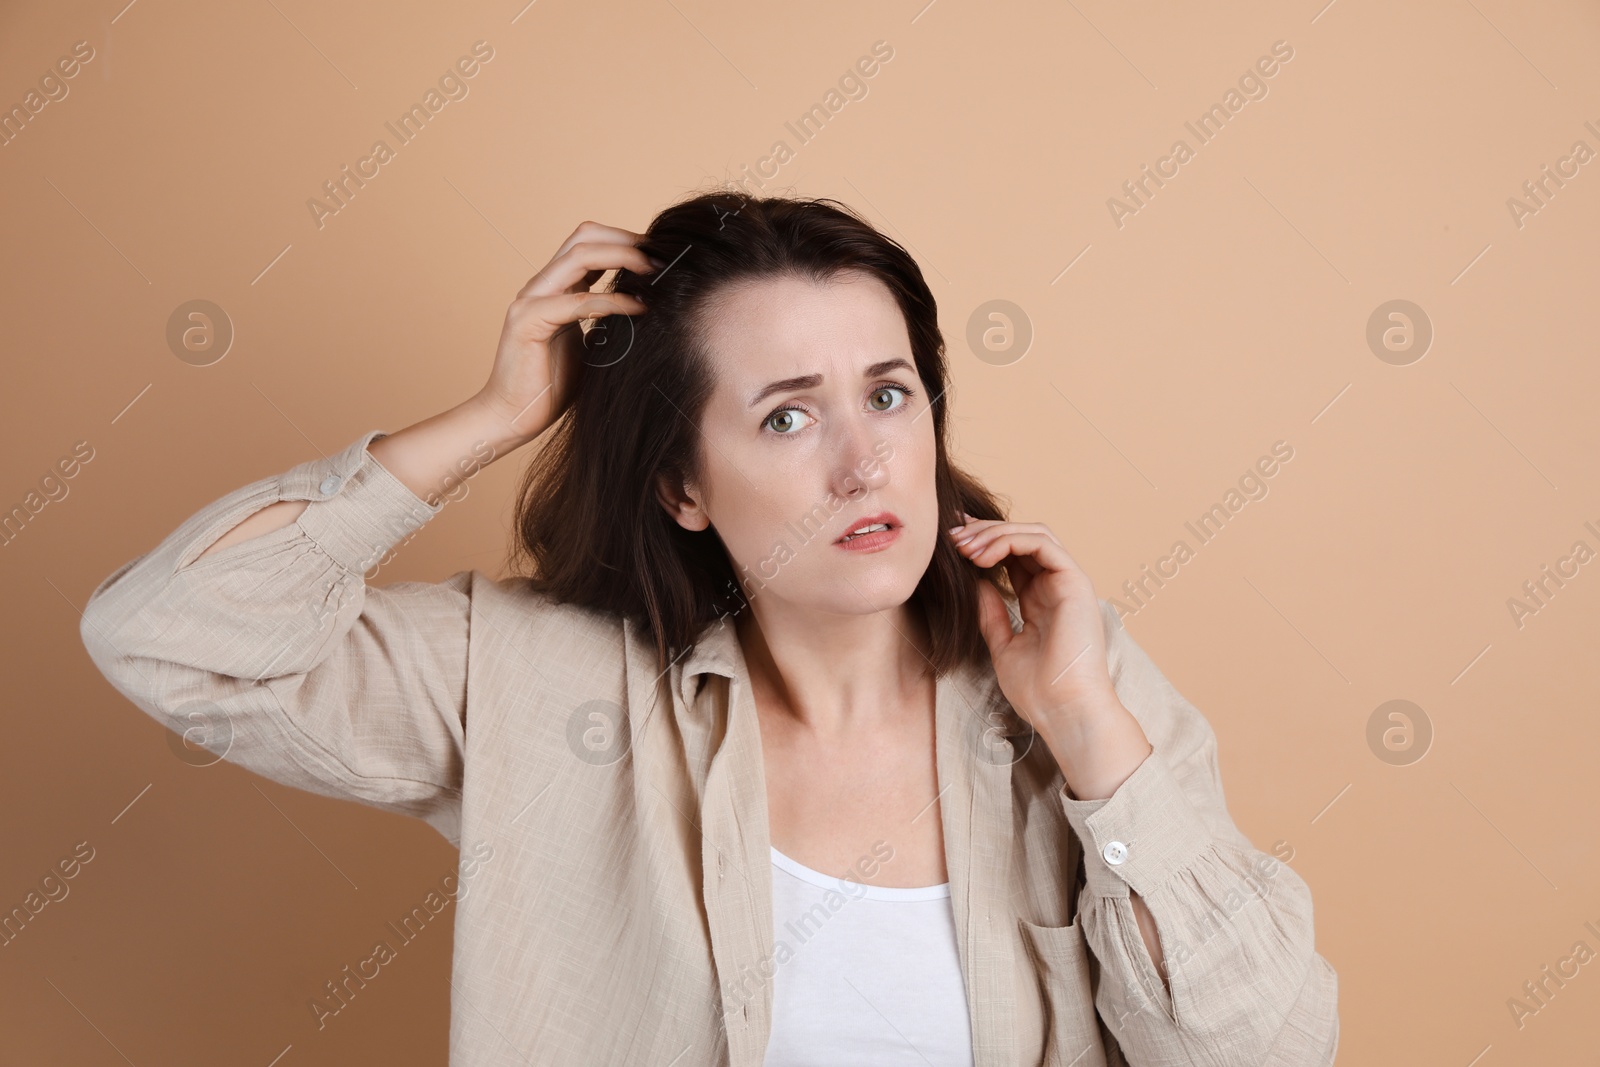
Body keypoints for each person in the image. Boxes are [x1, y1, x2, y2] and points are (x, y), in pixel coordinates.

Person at [80, 192, 1339, 1066]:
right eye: (788, 416)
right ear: (681, 485)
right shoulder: (528, 677)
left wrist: (1091, 737)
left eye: (888, 394)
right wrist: (488, 418)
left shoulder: (1075, 680)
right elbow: (169, 633)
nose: (865, 463)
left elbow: (1266, 1049)